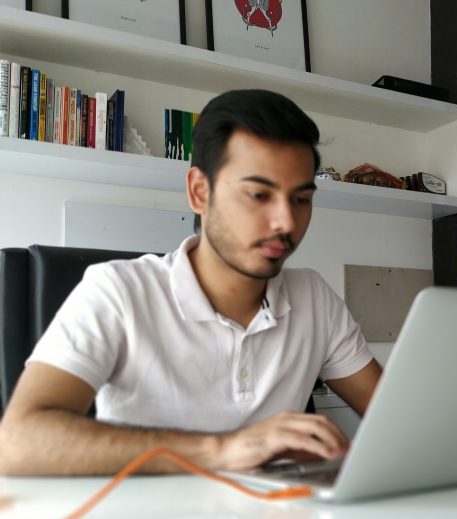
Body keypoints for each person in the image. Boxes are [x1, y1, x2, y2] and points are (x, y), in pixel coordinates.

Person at [0, 89, 382, 476]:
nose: (285, 222)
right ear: (200, 191)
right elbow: (16, 443)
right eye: (258, 194)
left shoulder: (314, 297)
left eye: (301, 199)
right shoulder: (117, 290)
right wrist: (223, 450)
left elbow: (396, 417)